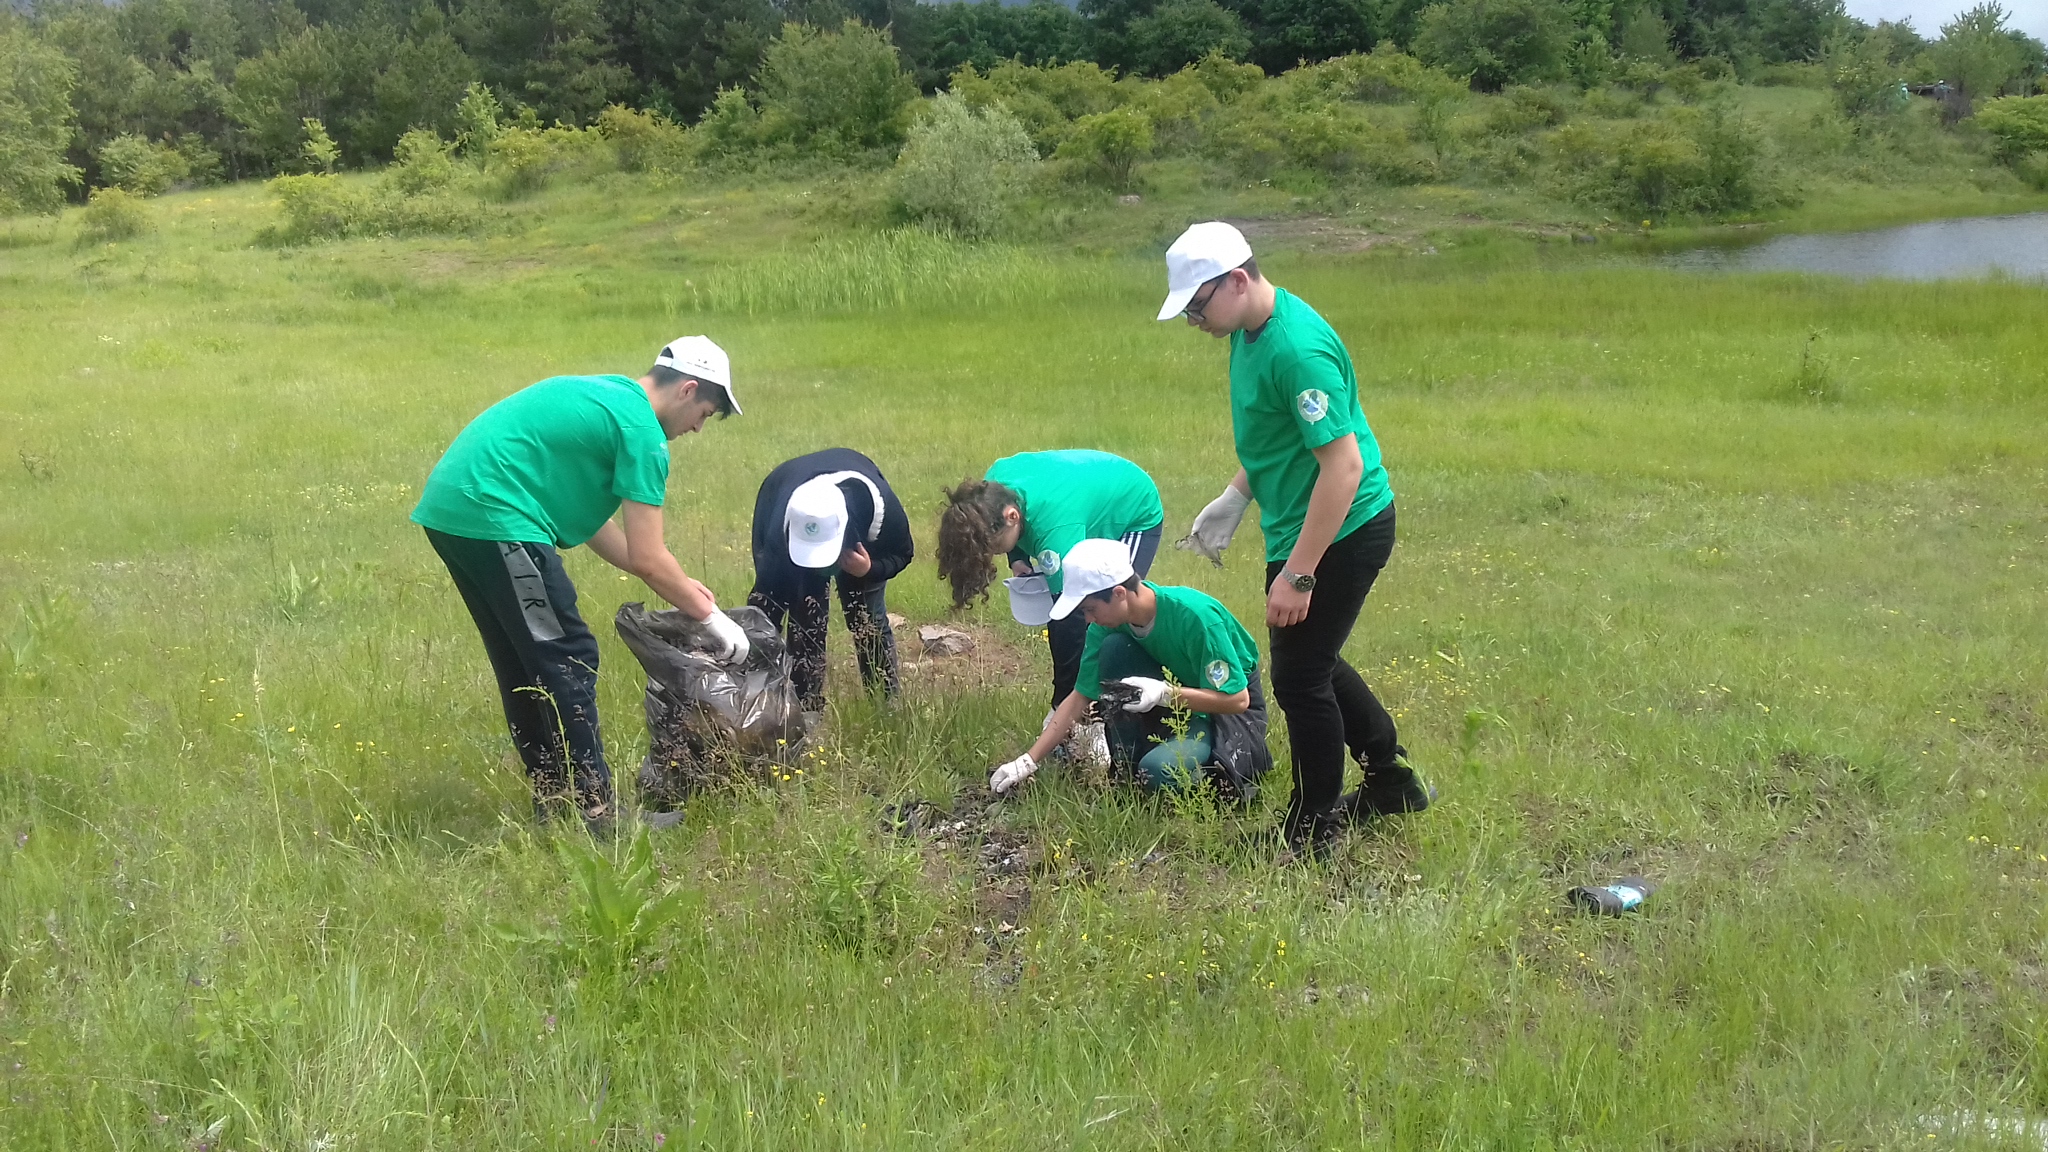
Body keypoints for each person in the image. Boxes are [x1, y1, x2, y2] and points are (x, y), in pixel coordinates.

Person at [1158, 221, 1430, 855]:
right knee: (1315, 660)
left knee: (1299, 677)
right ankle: (1392, 782)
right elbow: (1276, 439)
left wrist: (1300, 572)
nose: (1196, 322)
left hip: (1343, 528)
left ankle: (1311, 828)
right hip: (1297, 522)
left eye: (1198, 307)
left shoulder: (1296, 349)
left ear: (1237, 279)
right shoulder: (1248, 331)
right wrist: (1236, 495)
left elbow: (1344, 467)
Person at [410, 336, 749, 833]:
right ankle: (596, 815)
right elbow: (652, 558)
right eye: (705, 411)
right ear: (688, 390)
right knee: (565, 655)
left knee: (527, 660)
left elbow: (610, 537)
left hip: (454, 510)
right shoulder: (642, 432)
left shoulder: (610, 397)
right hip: (495, 513)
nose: (698, 427)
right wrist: (712, 618)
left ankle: (555, 803)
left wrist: (676, 583)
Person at [987, 538, 1270, 799]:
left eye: (1090, 608)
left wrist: (1164, 694)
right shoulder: (1107, 625)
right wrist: (1028, 760)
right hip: (1175, 701)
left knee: (1159, 770)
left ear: (1120, 593)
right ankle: (1127, 769)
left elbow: (1238, 700)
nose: (1088, 619)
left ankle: (1216, 773)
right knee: (1114, 650)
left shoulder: (1195, 618)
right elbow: (1079, 696)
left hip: (1227, 715)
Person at [937, 449, 1164, 759]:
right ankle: (1087, 705)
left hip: (1132, 508)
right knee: (1093, 614)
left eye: (994, 547)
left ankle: (1119, 709)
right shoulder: (991, 490)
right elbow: (1013, 537)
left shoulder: (1055, 534)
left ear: (1012, 516)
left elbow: (1069, 622)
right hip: (1080, 499)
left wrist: (1062, 703)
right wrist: (1017, 557)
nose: (992, 554)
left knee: (1114, 613)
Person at [747, 448, 914, 712]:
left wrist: (869, 569)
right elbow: (765, 606)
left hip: (860, 543)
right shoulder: (779, 534)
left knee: (867, 617)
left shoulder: (882, 511)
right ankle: (804, 708)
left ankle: (884, 703)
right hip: (782, 487)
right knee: (806, 620)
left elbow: (903, 554)